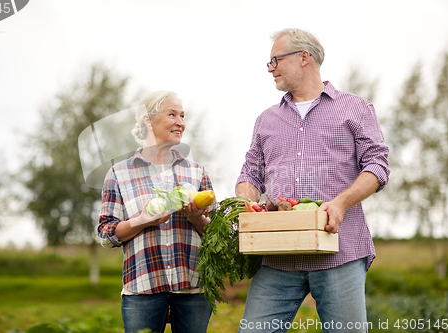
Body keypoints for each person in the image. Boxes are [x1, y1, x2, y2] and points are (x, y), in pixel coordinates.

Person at [236, 28, 390, 333]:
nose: (271, 69)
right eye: (269, 63)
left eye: (275, 60)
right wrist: (245, 200)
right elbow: (250, 173)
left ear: (304, 57)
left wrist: (341, 203)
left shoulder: (355, 108)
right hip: (277, 256)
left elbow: (377, 166)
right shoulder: (266, 119)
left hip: (340, 252)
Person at [98, 91, 213, 333]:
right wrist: (141, 221)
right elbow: (106, 235)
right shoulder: (119, 173)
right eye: (172, 114)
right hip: (143, 288)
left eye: (182, 115)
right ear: (148, 120)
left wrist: (196, 218)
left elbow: (217, 236)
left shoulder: (197, 172)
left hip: (193, 287)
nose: (180, 121)